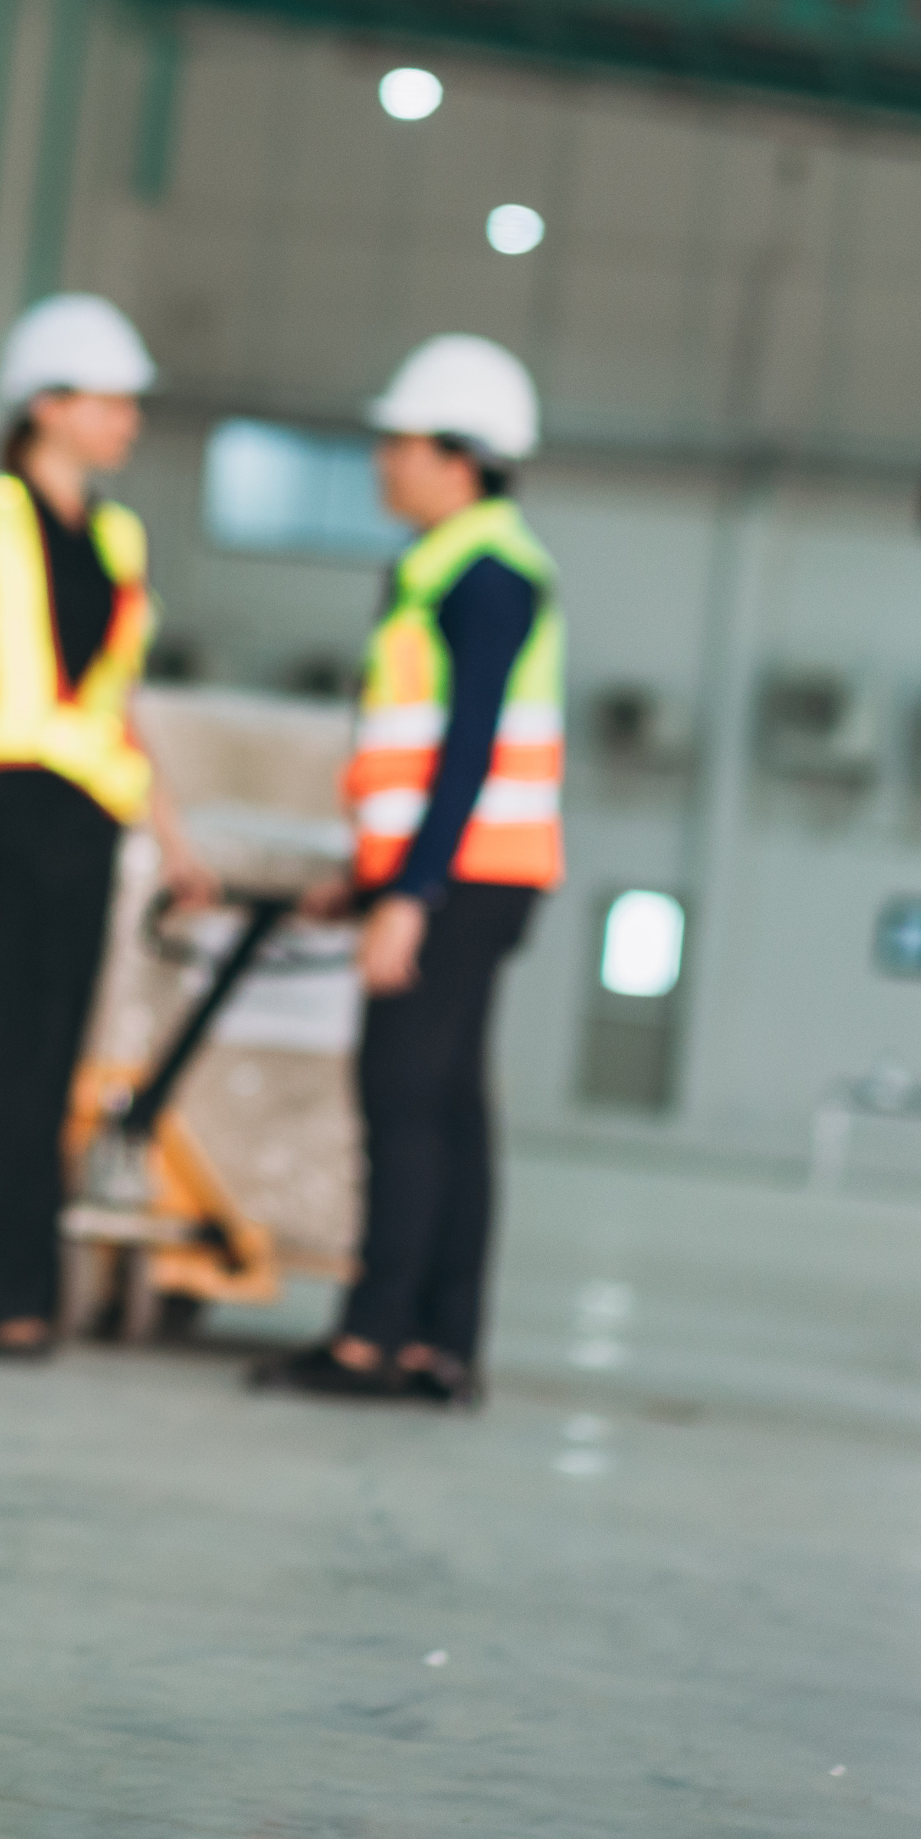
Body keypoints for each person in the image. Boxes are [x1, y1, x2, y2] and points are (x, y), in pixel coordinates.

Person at [254, 334, 562, 1408]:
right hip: (469, 873)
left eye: (401, 443)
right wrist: (368, 874)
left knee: (401, 1097)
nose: (384, 461)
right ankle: (440, 1340)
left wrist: (413, 897)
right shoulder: (452, 565)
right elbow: (423, 752)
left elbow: (469, 749)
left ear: (460, 455)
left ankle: (372, 1338)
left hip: (462, 879)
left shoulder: (483, 576)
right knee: (448, 1104)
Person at [0, 293, 214, 1356]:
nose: (128, 421)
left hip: (91, 811)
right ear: (47, 404)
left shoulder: (120, 536)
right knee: (26, 1049)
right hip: (8, 799)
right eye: (112, 400)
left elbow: (120, 702)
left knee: (36, 1051)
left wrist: (173, 837)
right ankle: (6, 1294)